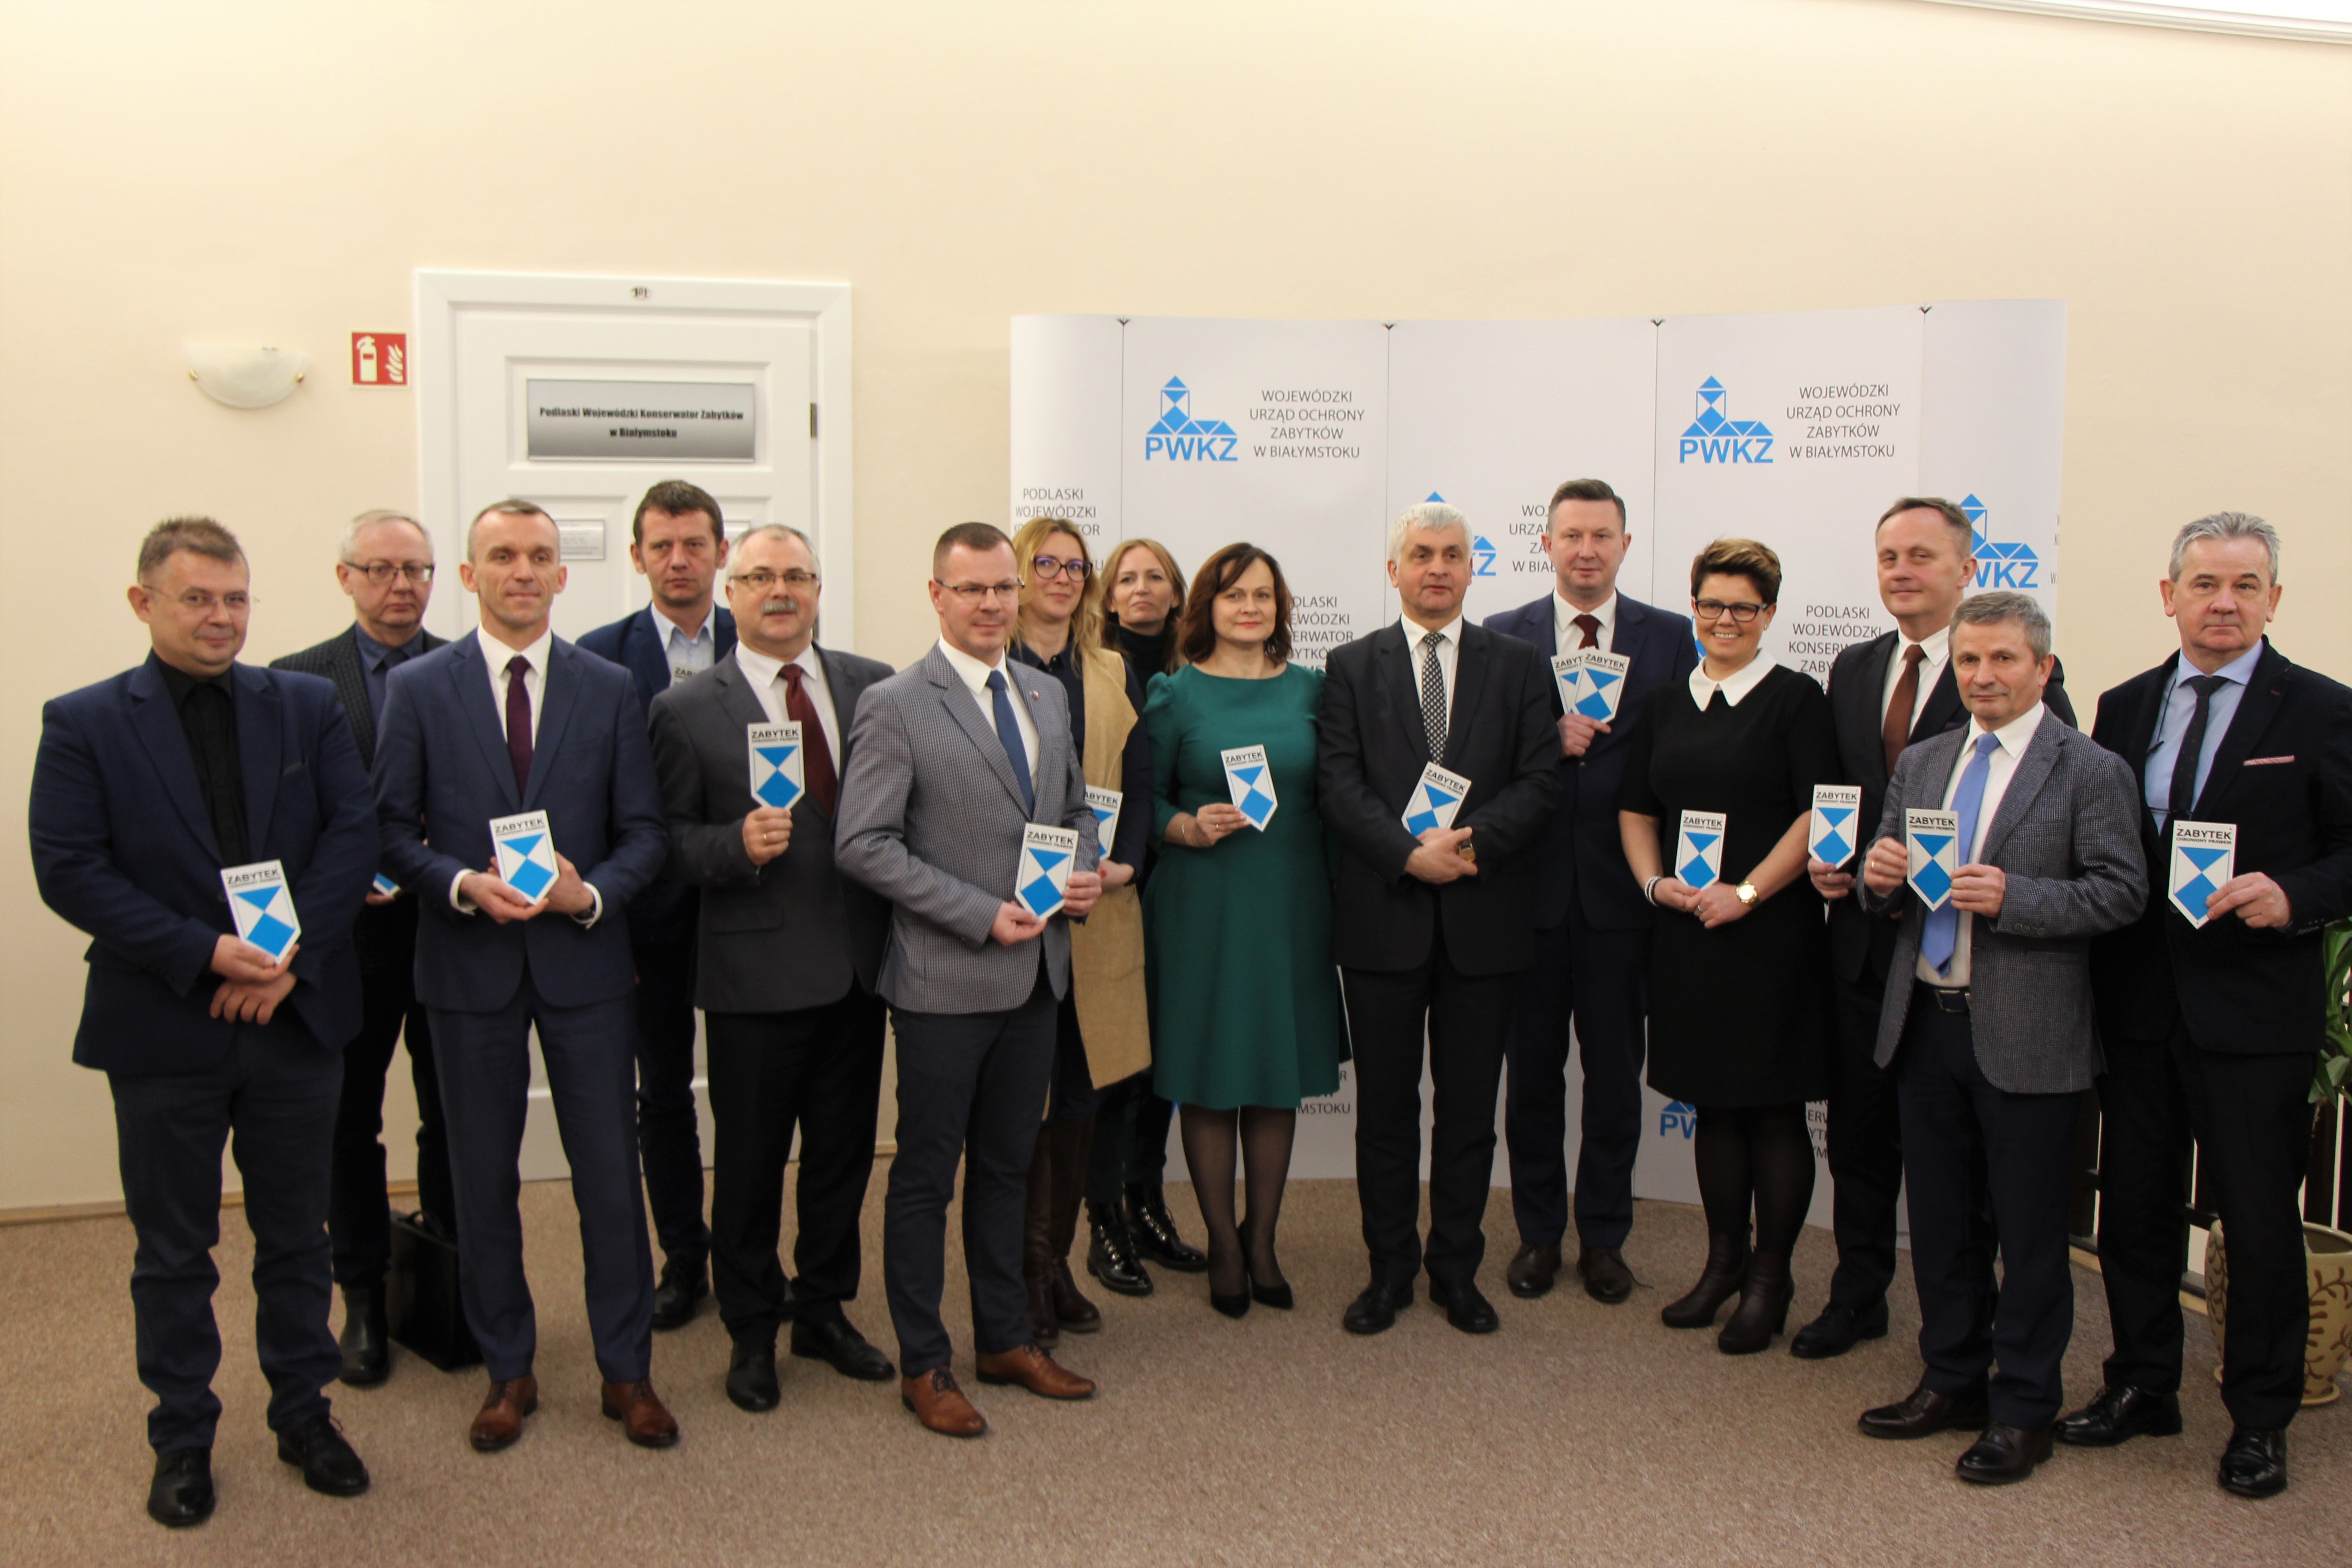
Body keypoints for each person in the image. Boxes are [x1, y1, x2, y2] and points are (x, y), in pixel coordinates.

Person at [31, 518, 378, 1526]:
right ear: (144, 603)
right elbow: (71, 869)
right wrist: (206, 953)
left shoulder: (305, 704)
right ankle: (181, 1435)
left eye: (235, 599)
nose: (221, 617)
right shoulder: (85, 721)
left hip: (293, 1019)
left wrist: (286, 961)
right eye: (197, 599)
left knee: (297, 1237)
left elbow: (353, 834)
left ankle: (305, 1415)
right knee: (175, 1249)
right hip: (164, 1023)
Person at [373, 499, 678, 1451]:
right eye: (501, 556)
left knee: (609, 1178)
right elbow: (388, 831)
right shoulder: (418, 689)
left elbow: (646, 834)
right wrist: (460, 883)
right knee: (482, 1179)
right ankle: (508, 1369)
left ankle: (627, 1372)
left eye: (539, 556)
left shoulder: (609, 687)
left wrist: (591, 897)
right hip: (467, 968)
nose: (522, 571)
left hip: (585, 968)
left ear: (561, 575)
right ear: (469, 576)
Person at [2066, 513, 2352, 1499]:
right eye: (2204, 584)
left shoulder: (2322, 710)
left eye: (2245, 585)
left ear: (2274, 600)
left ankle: (2262, 1417)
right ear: (2169, 596)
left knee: (2260, 1224)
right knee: (2135, 1209)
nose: (2223, 603)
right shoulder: (2124, 706)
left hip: (2254, 1013)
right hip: (2139, 1006)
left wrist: (2295, 896)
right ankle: (2143, 1383)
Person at [1850, 592, 2145, 1486]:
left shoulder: (2089, 769)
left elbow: (2121, 891)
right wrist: (1878, 876)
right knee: (1941, 1226)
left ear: (2042, 669)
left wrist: (2018, 897)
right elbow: (1880, 886)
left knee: (2028, 1234)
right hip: (1926, 1026)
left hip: (2030, 1036)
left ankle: (2023, 1408)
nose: (1983, 676)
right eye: (1970, 660)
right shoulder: (1926, 760)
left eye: (2004, 659)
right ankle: (1951, 1380)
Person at [835, 521, 1105, 1437]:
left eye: (1003, 587)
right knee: (925, 1179)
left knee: (1007, 1167)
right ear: (937, 595)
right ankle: (925, 1361)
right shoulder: (896, 703)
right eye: (973, 589)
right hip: (945, 981)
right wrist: (976, 911)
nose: (992, 604)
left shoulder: (1045, 692)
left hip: (1037, 978)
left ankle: (1004, 1338)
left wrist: (1083, 871)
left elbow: (1074, 809)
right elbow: (864, 844)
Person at [1802, 497, 2075, 1360]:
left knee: (1969, 1167)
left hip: (1971, 962)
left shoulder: (2009, 671)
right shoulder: (1854, 666)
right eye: (1889, 556)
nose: (1902, 571)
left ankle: (1980, 1333)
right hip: (1865, 944)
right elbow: (1847, 798)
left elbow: (2044, 809)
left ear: (1967, 570)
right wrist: (1843, 865)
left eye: (1921, 556)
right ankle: (1859, 1294)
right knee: (1859, 1141)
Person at [646, 524, 898, 1412]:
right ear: (731, 591)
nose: (779, 591)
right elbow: (666, 841)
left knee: (841, 1159)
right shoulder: (685, 708)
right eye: (759, 577)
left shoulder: (872, 687)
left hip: (859, 970)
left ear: (819, 589)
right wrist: (733, 845)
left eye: (796, 575)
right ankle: (751, 1329)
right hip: (754, 978)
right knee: (751, 1167)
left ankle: (822, 1309)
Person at [1321, 503, 1561, 1336]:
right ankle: (1388, 1272)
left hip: (1482, 922)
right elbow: (1339, 784)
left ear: (1471, 568)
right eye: (1421, 554)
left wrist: (1468, 844)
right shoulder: (1350, 665)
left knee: (1467, 1116)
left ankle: (1455, 1271)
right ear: (1395, 571)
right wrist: (1406, 854)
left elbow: (1540, 780)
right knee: (1385, 1113)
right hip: (1383, 921)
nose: (1437, 567)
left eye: (1453, 554)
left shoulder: (1519, 663)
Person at [1618, 538, 1837, 1354]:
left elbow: (1819, 811)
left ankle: (1771, 1281)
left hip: (1769, 934)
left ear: (1769, 614)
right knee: (1712, 1106)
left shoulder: (1797, 700)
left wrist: (1746, 893)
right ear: (1694, 608)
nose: (1726, 620)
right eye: (1712, 604)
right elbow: (1636, 809)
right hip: (1689, 934)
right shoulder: (1664, 703)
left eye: (1744, 607)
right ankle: (1722, 1266)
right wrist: (1655, 885)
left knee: (1773, 1111)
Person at [1484, 479, 1695, 1306]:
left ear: (1625, 546)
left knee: (1614, 1081)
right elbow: (1479, 756)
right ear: (1545, 544)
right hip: (1525, 895)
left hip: (1623, 898)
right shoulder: (1503, 635)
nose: (1585, 550)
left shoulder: (1671, 637)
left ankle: (1605, 1237)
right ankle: (1539, 1235)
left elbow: (1690, 753)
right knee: (1532, 1078)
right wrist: (1546, 736)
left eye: (1601, 536)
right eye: (1570, 535)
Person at [270, 509, 454, 1387]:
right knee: (350, 1121)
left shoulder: (466, 668)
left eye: (416, 570)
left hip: (452, 928)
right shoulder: (293, 682)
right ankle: (364, 1296)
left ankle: (454, 1278)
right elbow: (281, 816)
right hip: (348, 940)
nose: (401, 587)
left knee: (453, 1112)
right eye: (380, 570)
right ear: (345, 578)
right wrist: (344, 879)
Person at [1141, 544, 1348, 1318]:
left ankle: (1263, 1240)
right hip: (1203, 906)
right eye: (1234, 596)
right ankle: (1223, 1246)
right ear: (1207, 607)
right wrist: (1186, 827)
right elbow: (1144, 803)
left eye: (1263, 595)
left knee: (1272, 1073)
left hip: (1290, 905)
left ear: (1280, 607)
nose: (1250, 608)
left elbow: (1340, 793)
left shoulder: (1314, 690)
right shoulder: (1174, 694)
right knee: (1210, 1073)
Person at [576, 480, 736, 1332]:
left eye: (694, 544)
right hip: (646, 920)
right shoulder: (597, 660)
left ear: (721, 552)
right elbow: (588, 800)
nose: (679, 561)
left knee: (750, 1099)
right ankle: (684, 1254)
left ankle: (749, 1257)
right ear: (639, 556)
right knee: (664, 1095)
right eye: (662, 546)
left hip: (749, 911)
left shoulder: (767, 639)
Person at [1006, 517, 1156, 1337]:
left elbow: (1140, 779)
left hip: (1096, 911)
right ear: (1017, 573)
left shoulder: (1111, 668)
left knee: (1080, 1098)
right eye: (1046, 563)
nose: (1063, 578)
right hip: (1016, 917)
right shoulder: (991, 664)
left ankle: (1056, 1261)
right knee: (1023, 1105)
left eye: (1075, 566)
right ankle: (1024, 1271)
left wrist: (1125, 863)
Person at [1088, 537, 1206, 1283]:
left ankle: (1146, 1203)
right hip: (1109, 886)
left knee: (1160, 1061)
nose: (1140, 589)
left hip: (1178, 884)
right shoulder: (1089, 667)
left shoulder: (1198, 670)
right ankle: (1103, 1218)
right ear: (1107, 596)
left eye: (1154, 577)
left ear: (1176, 593)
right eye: (1126, 578)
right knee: (1115, 1065)